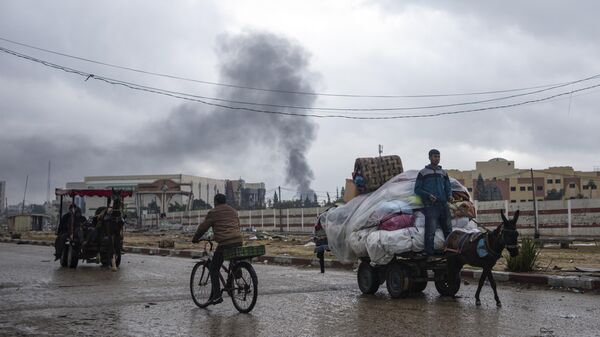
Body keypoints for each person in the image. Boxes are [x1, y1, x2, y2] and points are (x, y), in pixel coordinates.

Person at [192, 193, 243, 304]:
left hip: (225, 243)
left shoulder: (213, 212)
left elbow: (203, 227)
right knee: (233, 260)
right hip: (238, 240)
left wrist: (195, 238)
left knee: (214, 269)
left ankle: (217, 296)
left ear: (215, 202)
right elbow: (237, 226)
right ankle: (236, 273)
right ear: (225, 201)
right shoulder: (234, 211)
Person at [414, 149, 454, 261]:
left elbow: (448, 187)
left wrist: (449, 196)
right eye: (435, 156)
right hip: (431, 206)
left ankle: (450, 254)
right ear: (429, 157)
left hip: (444, 205)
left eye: (438, 156)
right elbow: (417, 189)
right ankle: (429, 254)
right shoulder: (423, 173)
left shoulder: (444, 173)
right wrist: (428, 196)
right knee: (430, 231)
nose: (437, 158)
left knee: (448, 230)